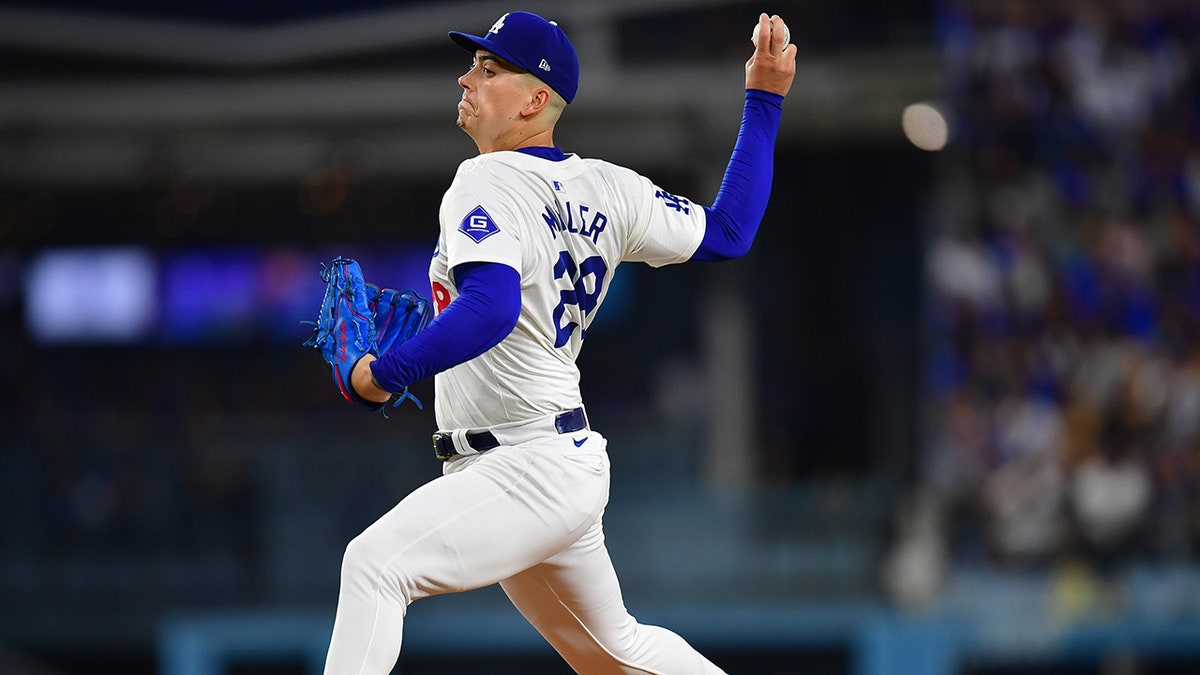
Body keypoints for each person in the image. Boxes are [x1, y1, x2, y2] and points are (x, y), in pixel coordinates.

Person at [324, 10, 796, 674]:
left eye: (489, 69)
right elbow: (729, 231)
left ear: (535, 100)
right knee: (613, 652)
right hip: (552, 458)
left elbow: (490, 308)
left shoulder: (482, 181)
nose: (467, 77)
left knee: (373, 566)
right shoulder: (609, 188)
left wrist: (386, 372)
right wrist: (765, 99)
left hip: (522, 464)